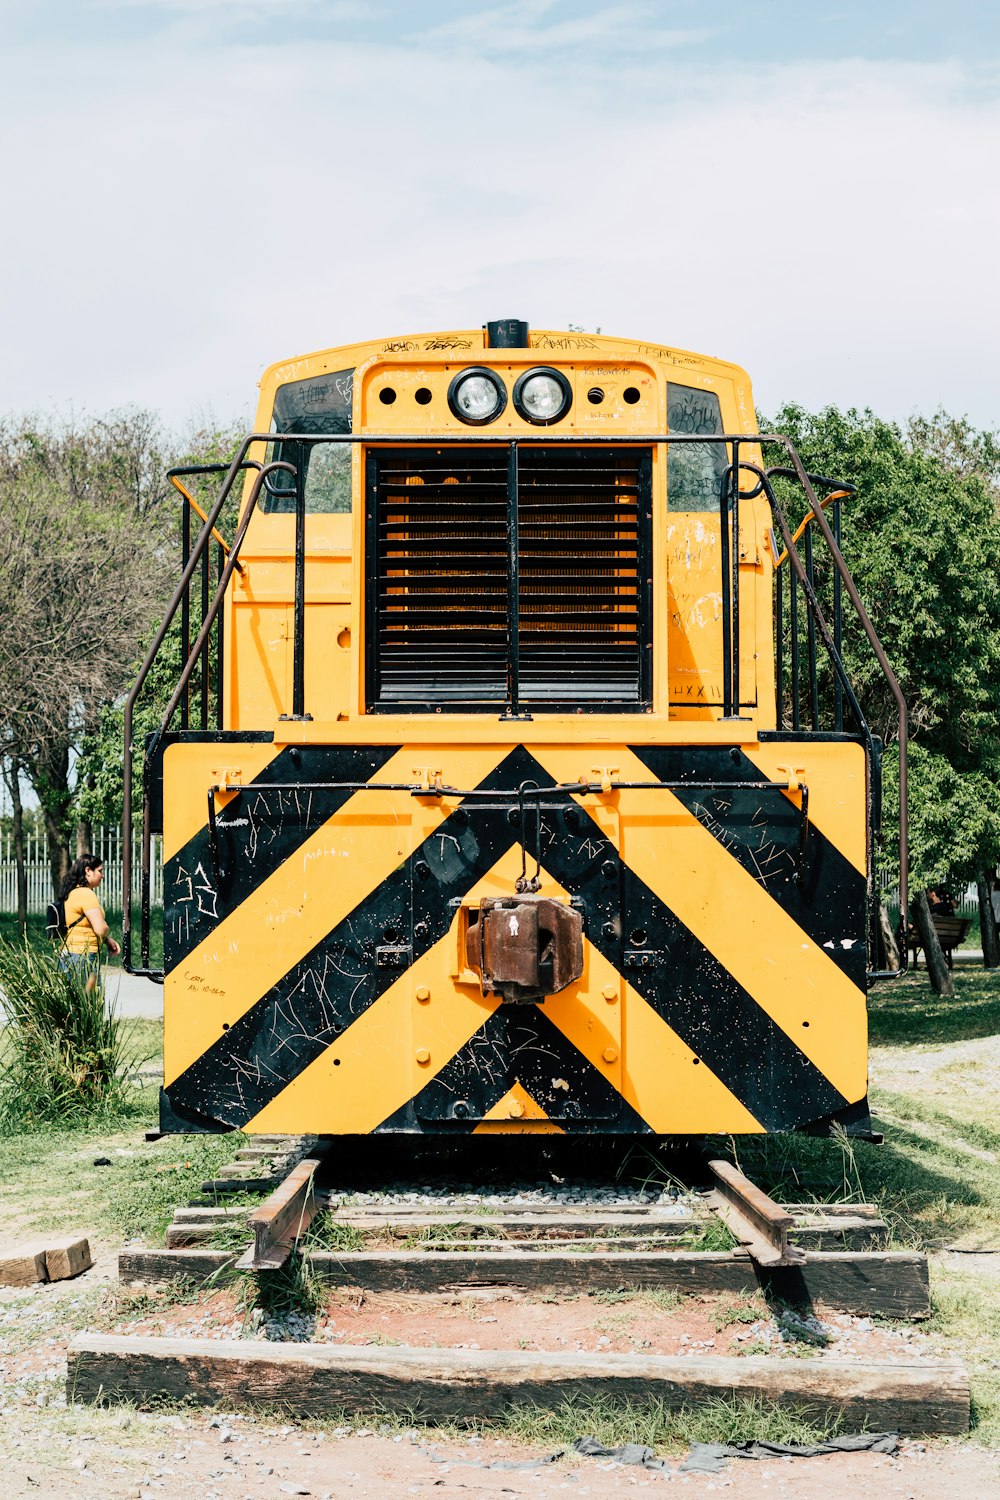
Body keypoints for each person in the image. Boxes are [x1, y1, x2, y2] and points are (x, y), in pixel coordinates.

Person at [58, 854, 120, 983]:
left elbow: (85, 926)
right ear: (87, 871)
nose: (102, 875)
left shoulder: (73, 892)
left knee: (72, 1001)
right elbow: (100, 928)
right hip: (82, 957)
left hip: (68, 954)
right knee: (88, 1000)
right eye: (100, 871)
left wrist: (106, 940)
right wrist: (106, 930)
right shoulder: (86, 894)